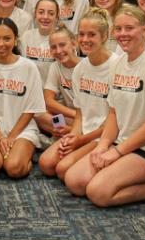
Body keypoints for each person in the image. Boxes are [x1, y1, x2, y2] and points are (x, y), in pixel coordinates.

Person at [64, 6, 145, 207]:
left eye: (129, 28)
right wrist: (103, 145)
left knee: (98, 193)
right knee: (75, 182)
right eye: (119, 29)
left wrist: (117, 152)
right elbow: (113, 113)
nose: (123, 34)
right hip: (124, 142)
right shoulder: (118, 63)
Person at [0, 17, 45, 179]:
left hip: (22, 130)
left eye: (7, 38)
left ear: (16, 40)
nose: (1, 44)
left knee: (14, 169)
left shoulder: (29, 68)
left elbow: (31, 109)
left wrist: (11, 138)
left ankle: (22, 154)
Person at [41, 12, 111, 179]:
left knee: (64, 171)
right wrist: (74, 133)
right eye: (82, 34)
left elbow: (115, 120)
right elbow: (51, 103)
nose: (85, 39)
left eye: (91, 34)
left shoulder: (116, 67)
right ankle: (62, 134)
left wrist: (79, 137)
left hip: (105, 133)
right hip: (78, 122)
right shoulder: (71, 69)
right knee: (46, 164)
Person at [39, 25, 80, 144]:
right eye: (53, 47)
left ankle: (67, 134)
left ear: (74, 44)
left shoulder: (86, 66)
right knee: (39, 113)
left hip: (87, 120)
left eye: (62, 45)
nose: (58, 51)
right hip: (70, 116)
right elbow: (49, 101)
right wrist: (75, 114)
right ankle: (65, 133)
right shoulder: (55, 66)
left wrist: (78, 117)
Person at [19, 0, 60, 83]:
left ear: (57, 17)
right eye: (41, 12)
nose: (45, 17)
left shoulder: (63, 38)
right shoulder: (26, 37)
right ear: (35, 14)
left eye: (51, 13)